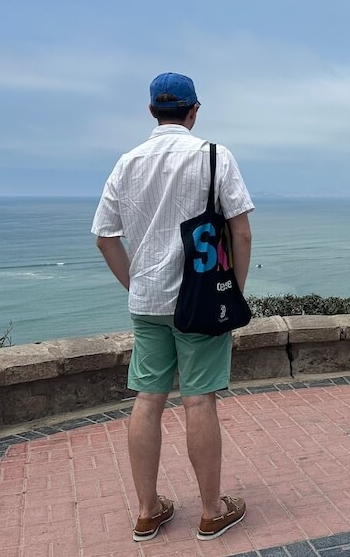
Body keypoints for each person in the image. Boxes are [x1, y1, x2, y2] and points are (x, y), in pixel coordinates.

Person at [91, 72, 254, 542]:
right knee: (199, 398)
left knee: (147, 399)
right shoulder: (214, 156)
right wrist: (233, 292)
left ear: (150, 112)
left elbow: (105, 237)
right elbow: (241, 232)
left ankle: (147, 511)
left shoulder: (127, 163)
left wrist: (134, 284)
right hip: (201, 301)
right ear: (194, 110)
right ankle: (211, 510)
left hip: (148, 302)